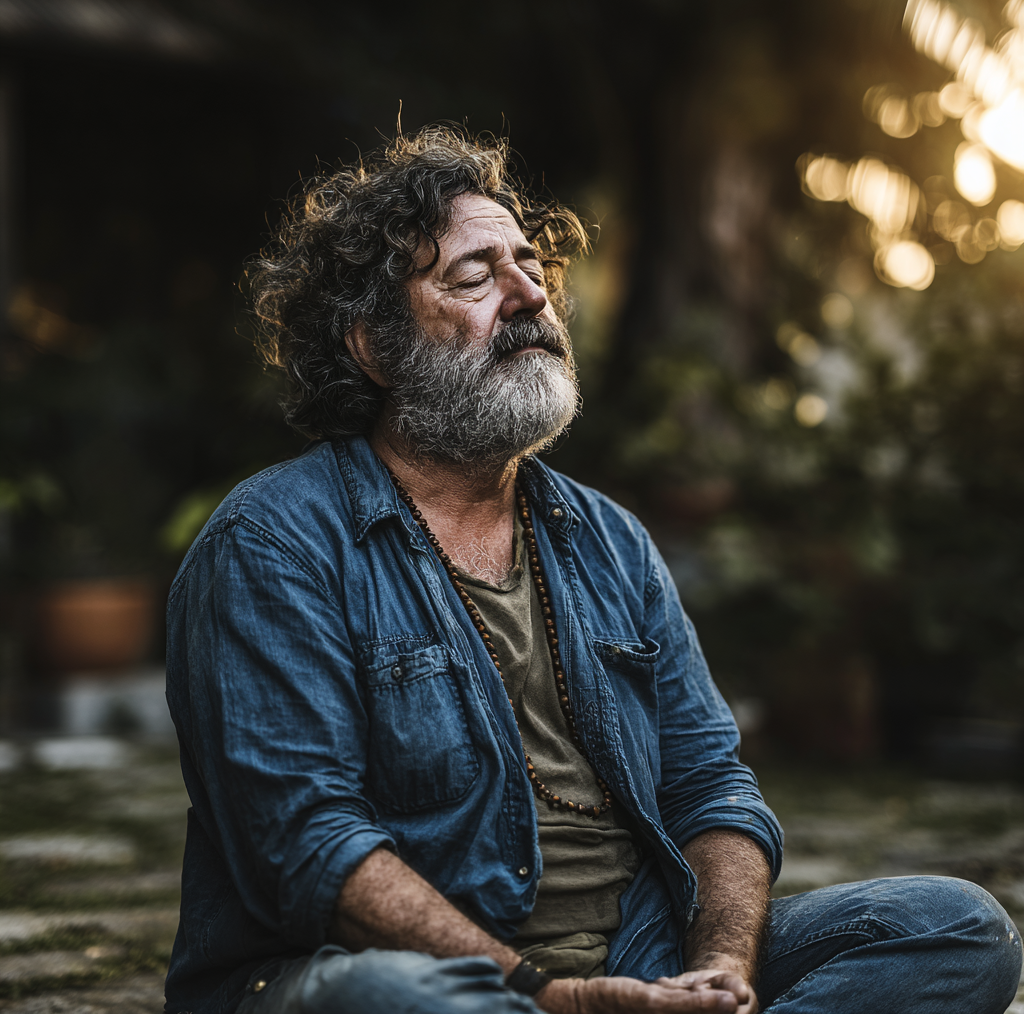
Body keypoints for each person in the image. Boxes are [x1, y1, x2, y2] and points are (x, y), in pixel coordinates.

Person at [163, 127, 1022, 1014]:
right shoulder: (271, 545)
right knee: (404, 1000)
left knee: (958, 929)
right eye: (473, 275)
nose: (530, 294)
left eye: (531, 266)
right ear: (375, 348)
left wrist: (726, 967)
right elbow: (307, 849)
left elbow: (710, 785)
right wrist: (548, 994)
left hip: (637, 951)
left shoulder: (606, 536)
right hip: (389, 971)